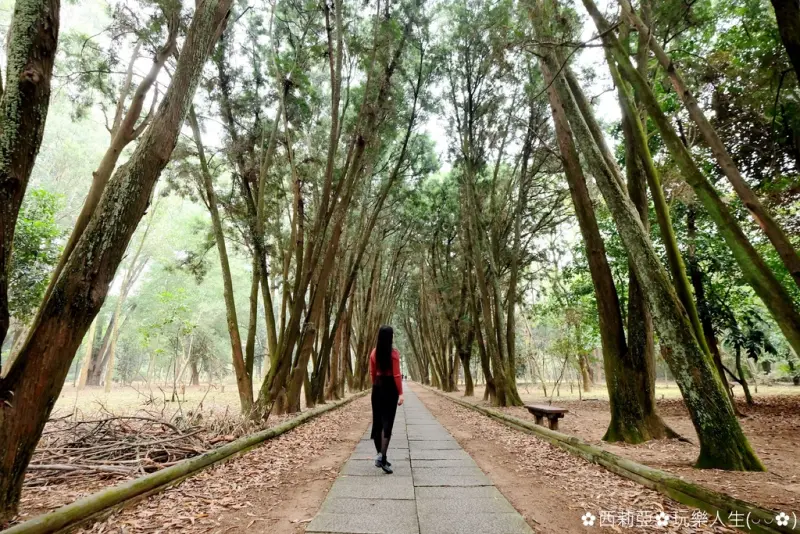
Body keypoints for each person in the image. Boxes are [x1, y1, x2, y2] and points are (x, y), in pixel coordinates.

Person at [370, 325, 404, 474]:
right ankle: (382, 457)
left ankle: (380, 455)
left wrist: (375, 385)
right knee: (387, 423)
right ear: (390, 337)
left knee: (377, 422)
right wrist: (401, 393)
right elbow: (396, 375)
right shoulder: (394, 354)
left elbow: (372, 372)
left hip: (377, 388)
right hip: (390, 389)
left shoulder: (374, 353)